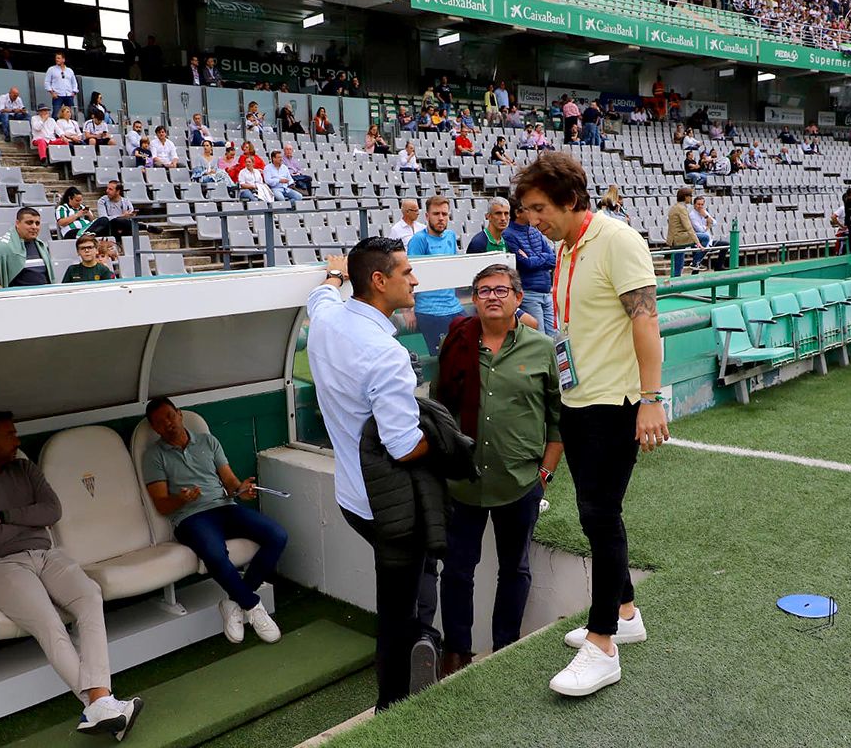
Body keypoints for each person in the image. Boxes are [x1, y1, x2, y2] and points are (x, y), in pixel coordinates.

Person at [513, 152, 665, 697]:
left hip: (614, 403)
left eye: (539, 208)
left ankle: (604, 645)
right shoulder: (566, 247)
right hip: (578, 400)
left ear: (571, 199)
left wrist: (651, 398)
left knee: (602, 517)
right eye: (527, 210)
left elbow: (646, 321)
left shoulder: (618, 239)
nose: (532, 219)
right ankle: (625, 613)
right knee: (591, 512)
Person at [306, 241, 446, 711]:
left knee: (409, 582)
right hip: (388, 508)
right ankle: (393, 704)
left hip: (353, 499)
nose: (416, 279)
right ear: (380, 281)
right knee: (397, 612)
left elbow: (320, 298)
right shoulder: (384, 354)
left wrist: (334, 276)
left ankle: (421, 637)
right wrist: (443, 440)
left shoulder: (327, 320)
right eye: (407, 271)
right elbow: (404, 446)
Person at [0, 412, 142, 738]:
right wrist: (28, 523)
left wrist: (4, 517)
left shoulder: (24, 467)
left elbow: (52, 511)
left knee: (90, 596)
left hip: (46, 555)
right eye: (10, 434)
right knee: (49, 622)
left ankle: (99, 708)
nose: (17, 440)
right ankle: (102, 703)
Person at [433, 264, 562, 676]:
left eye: (501, 290)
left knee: (516, 568)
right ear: (474, 298)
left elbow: (559, 420)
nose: (492, 296)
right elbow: (438, 412)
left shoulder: (543, 348)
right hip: (462, 484)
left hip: (521, 483)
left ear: (518, 298)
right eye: (483, 290)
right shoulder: (456, 344)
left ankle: (505, 645)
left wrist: (544, 476)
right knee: (456, 571)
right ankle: (457, 651)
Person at [142, 397, 286, 644]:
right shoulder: (154, 455)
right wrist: (181, 499)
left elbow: (230, 482)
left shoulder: (207, 441)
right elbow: (161, 504)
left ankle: (234, 602)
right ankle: (252, 607)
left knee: (277, 535)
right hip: (190, 517)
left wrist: (242, 490)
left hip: (224, 507)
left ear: (179, 414)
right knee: (215, 553)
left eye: (169, 416)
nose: (167, 424)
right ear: (154, 429)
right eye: (159, 423)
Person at [406, 196, 464, 356]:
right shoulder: (418, 240)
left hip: (454, 307)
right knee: (444, 358)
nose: (441, 218)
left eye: (444, 214)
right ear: (427, 216)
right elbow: (409, 274)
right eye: (436, 213)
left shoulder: (451, 236)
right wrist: (408, 310)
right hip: (430, 311)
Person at [503, 199, 556, 336]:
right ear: (518, 213)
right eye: (528, 209)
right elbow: (525, 264)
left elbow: (553, 259)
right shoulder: (508, 235)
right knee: (540, 337)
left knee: (555, 336)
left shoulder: (535, 231)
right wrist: (541, 258)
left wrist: (533, 259)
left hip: (546, 292)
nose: (533, 213)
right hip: (530, 293)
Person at [0, 207, 55, 288]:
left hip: (43, 296)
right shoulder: (4, 245)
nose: (34, 227)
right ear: (17, 223)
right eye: (29, 223)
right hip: (19, 298)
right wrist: (2, 295)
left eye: (37, 223)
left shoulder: (41, 246)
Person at [666, 187, 700, 276]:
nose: (691, 198)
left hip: (675, 238)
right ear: (686, 197)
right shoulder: (681, 208)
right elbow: (688, 227)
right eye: (690, 196)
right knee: (705, 237)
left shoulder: (675, 207)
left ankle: (674, 284)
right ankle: (695, 262)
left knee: (678, 264)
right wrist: (698, 242)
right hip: (679, 238)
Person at [45, 52, 79, 119]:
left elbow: (74, 82)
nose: (57, 60)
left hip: (69, 95)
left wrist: (74, 92)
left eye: (58, 58)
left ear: (63, 60)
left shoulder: (69, 70)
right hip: (58, 95)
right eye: (56, 58)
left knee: (71, 115)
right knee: (56, 114)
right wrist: (52, 92)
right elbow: (47, 82)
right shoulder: (51, 69)